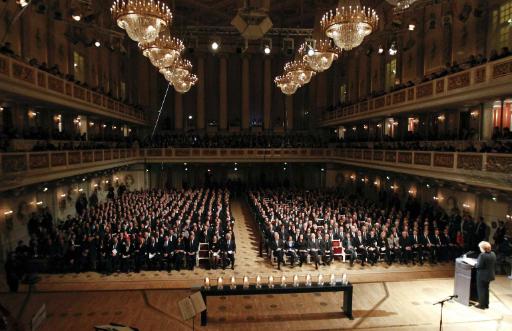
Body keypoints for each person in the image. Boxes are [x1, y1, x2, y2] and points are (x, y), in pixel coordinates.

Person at [474, 241, 496, 309]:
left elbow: (479, 266)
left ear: (483, 248)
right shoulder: (493, 253)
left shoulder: (482, 255)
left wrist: (475, 264)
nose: (480, 249)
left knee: (481, 290)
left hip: (482, 276)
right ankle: (486, 304)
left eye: (480, 247)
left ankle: (481, 305)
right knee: (486, 289)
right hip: (490, 275)